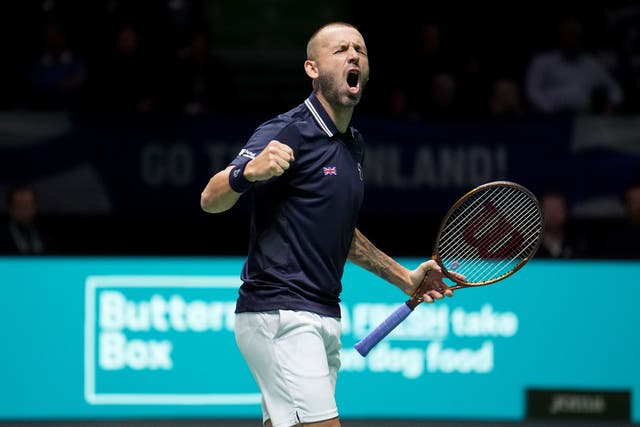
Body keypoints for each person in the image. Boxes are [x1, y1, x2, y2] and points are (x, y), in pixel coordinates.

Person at [200, 22, 458, 427]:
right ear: (312, 69)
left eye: (360, 49)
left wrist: (404, 279)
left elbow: (342, 233)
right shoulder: (288, 130)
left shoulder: (352, 144)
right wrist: (247, 172)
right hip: (281, 313)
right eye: (339, 50)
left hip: (323, 314)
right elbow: (210, 199)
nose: (353, 55)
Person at [525, 16, 623, 115]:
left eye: (575, 35)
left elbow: (614, 87)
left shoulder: (591, 64)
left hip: (582, 119)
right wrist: (550, 109)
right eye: (568, 34)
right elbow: (533, 92)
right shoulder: (543, 62)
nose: (572, 39)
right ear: (560, 36)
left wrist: (611, 105)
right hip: (549, 118)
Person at [0, 184, 52, 255]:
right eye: (19, 206)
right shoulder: (2, 239)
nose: (24, 211)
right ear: (10, 208)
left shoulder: (45, 238)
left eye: (27, 206)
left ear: (35, 207)